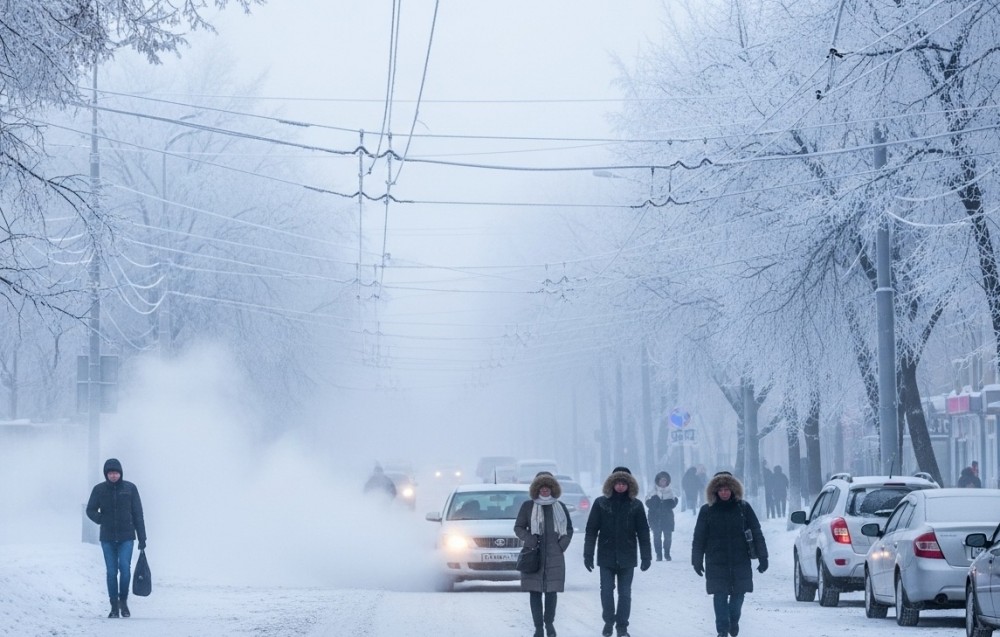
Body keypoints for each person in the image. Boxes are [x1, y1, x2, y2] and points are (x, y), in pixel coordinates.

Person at [691, 471, 767, 637]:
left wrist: (763, 557)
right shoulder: (707, 511)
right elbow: (699, 537)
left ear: (733, 490)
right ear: (715, 491)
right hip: (716, 560)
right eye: (721, 489)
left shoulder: (744, 508)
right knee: (719, 595)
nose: (724, 493)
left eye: (727, 489)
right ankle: (722, 630)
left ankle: (733, 621)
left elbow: (756, 532)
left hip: (740, 559)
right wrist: (696, 560)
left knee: (738, 595)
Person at [583, 466, 652, 637]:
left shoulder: (636, 505)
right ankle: (608, 621)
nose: (621, 486)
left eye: (624, 483)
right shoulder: (601, 503)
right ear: (612, 484)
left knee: (625, 593)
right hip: (606, 555)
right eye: (618, 483)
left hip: (627, 555)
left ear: (630, 485)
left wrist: (646, 556)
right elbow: (591, 530)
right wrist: (588, 554)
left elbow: (643, 532)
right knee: (606, 591)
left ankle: (622, 627)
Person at [86, 458, 147, 619]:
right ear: (106, 474)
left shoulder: (130, 488)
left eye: (116, 472)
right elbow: (90, 509)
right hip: (107, 538)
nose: (114, 475)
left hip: (127, 537)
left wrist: (142, 537)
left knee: (125, 570)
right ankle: (114, 606)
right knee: (111, 572)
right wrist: (101, 519)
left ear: (120, 473)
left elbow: (138, 514)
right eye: (111, 473)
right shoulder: (99, 490)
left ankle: (123, 602)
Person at [514, 472, 573, 637]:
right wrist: (530, 540)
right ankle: (538, 627)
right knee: (535, 592)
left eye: (548, 487)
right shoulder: (528, 506)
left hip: (555, 556)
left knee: (551, 593)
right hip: (534, 555)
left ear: (553, 488)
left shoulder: (560, 507)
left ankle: (549, 624)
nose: (545, 490)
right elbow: (518, 527)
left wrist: (561, 546)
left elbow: (568, 529)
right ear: (536, 488)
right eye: (541, 487)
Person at [644, 471, 678, 561]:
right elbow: (647, 502)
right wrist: (655, 503)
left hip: (667, 518)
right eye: (661, 481)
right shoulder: (652, 492)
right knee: (657, 536)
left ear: (667, 482)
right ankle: (658, 555)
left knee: (668, 537)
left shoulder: (671, 492)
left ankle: (667, 554)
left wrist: (668, 503)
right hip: (655, 518)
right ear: (658, 481)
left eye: (665, 481)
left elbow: (674, 503)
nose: (663, 482)